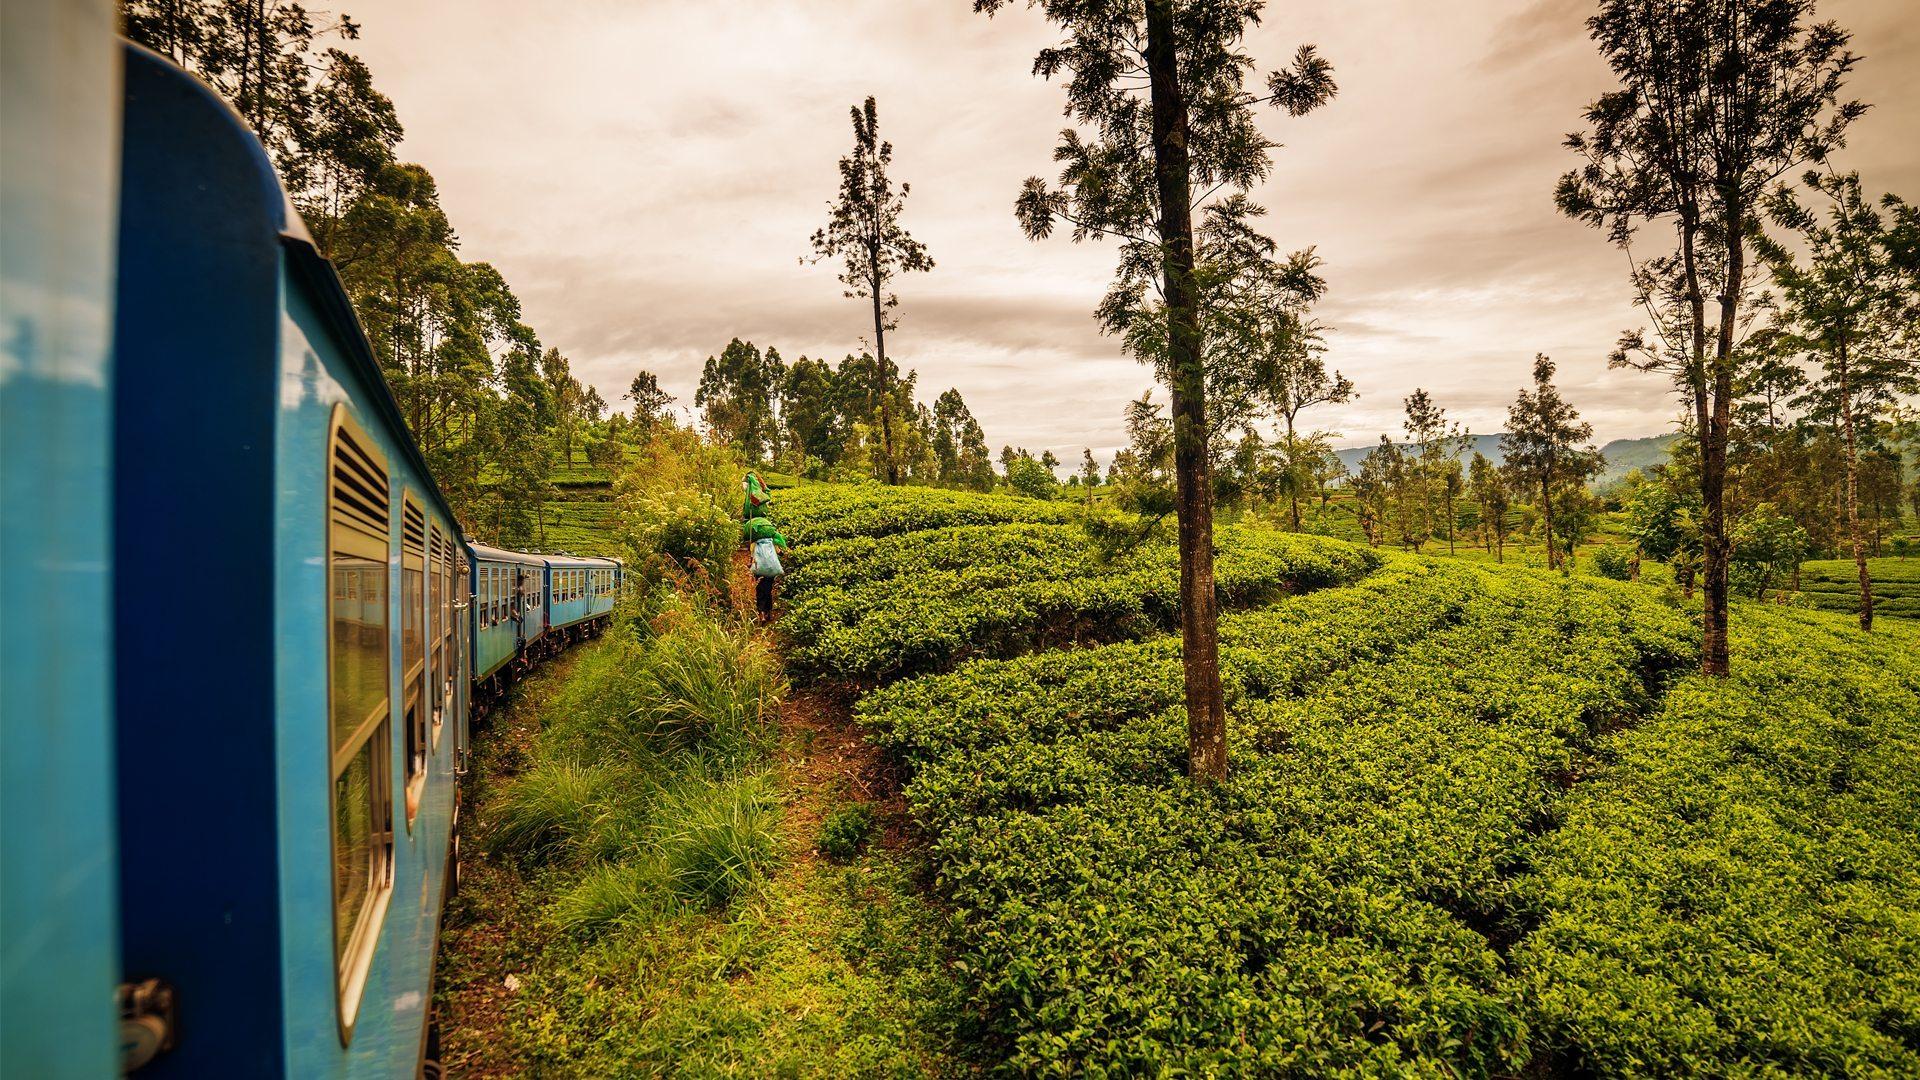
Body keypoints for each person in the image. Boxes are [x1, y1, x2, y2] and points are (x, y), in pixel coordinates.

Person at [743, 514, 788, 623]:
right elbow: (779, 552)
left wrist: (750, 564)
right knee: (768, 589)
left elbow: (752, 555)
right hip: (771, 568)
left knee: (760, 589)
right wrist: (784, 554)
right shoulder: (771, 540)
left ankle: (761, 612)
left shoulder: (754, 542)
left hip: (759, 568)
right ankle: (768, 612)